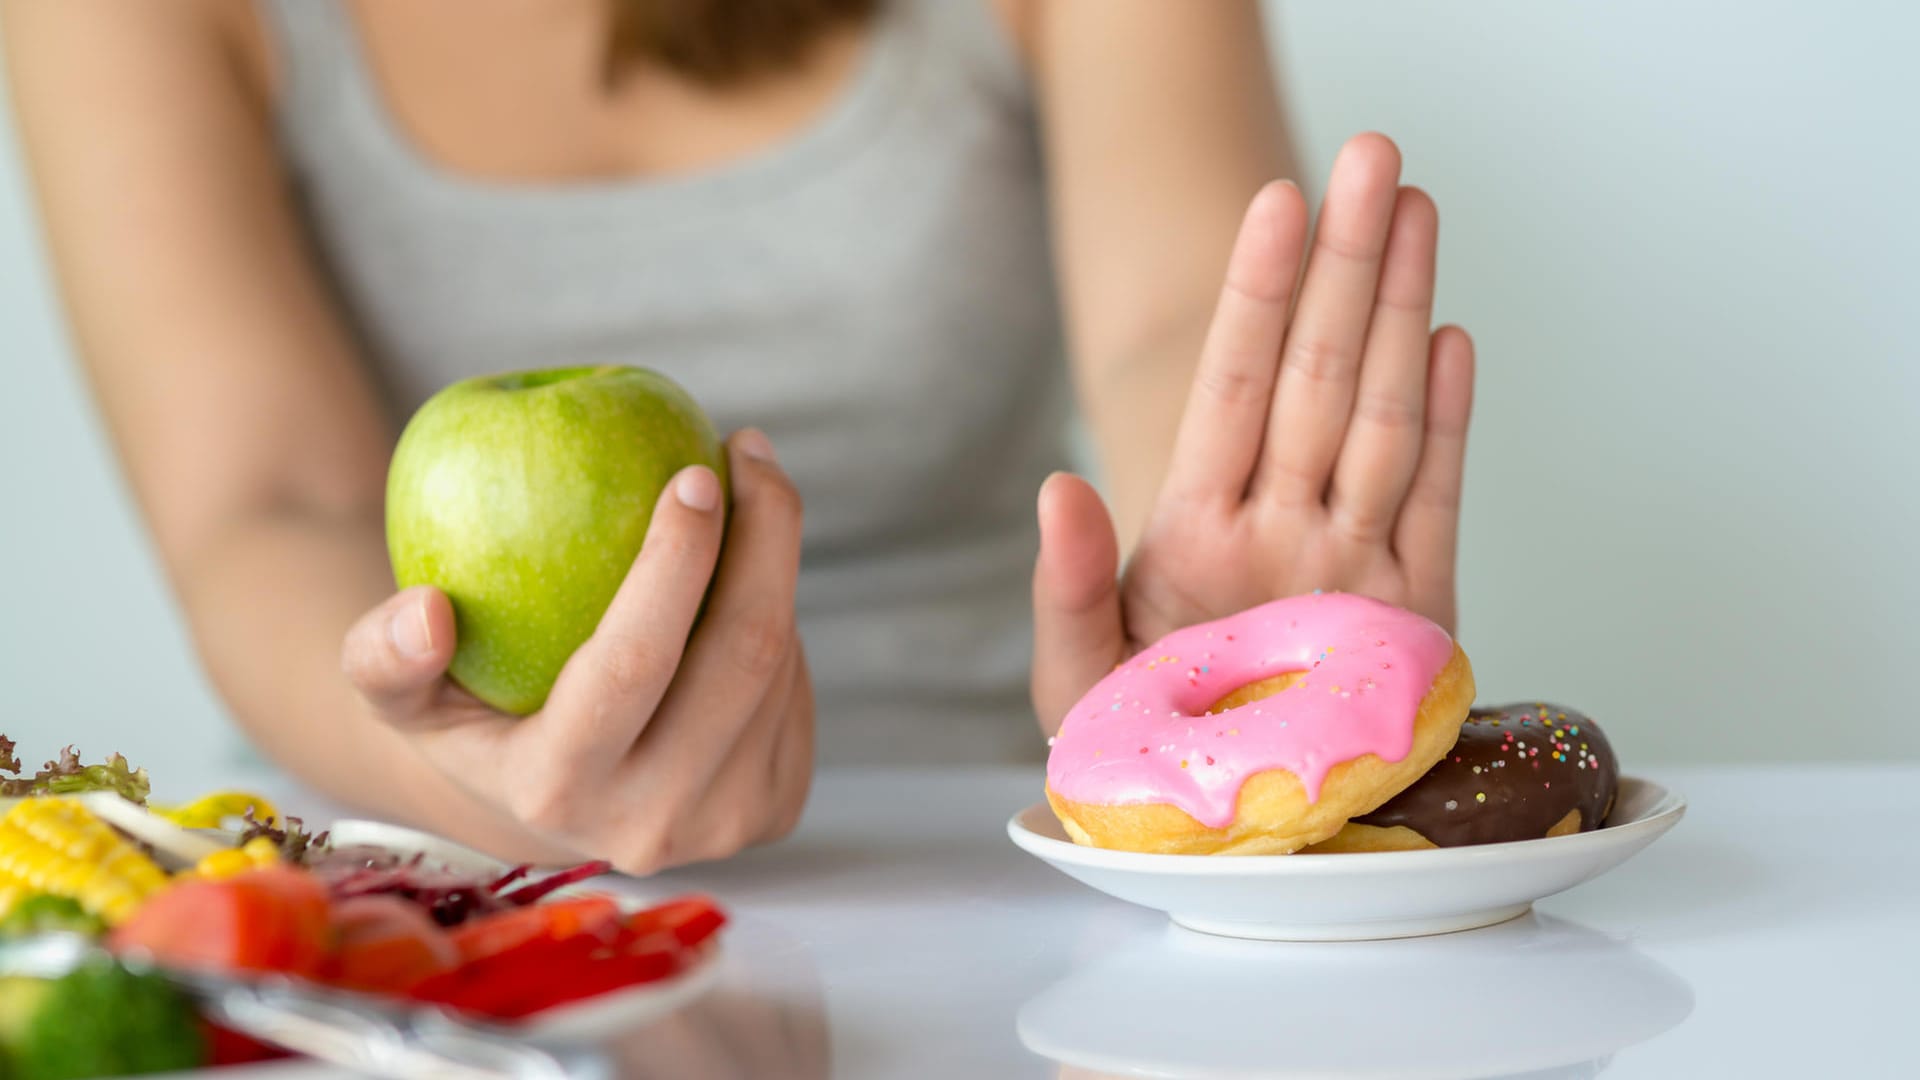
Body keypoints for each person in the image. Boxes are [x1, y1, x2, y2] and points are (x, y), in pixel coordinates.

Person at [3, 0, 1472, 873]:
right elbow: (261, 502)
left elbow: (1175, 332)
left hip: (991, 875)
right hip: (422, 899)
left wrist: (1224, 644)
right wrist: (473, 786)